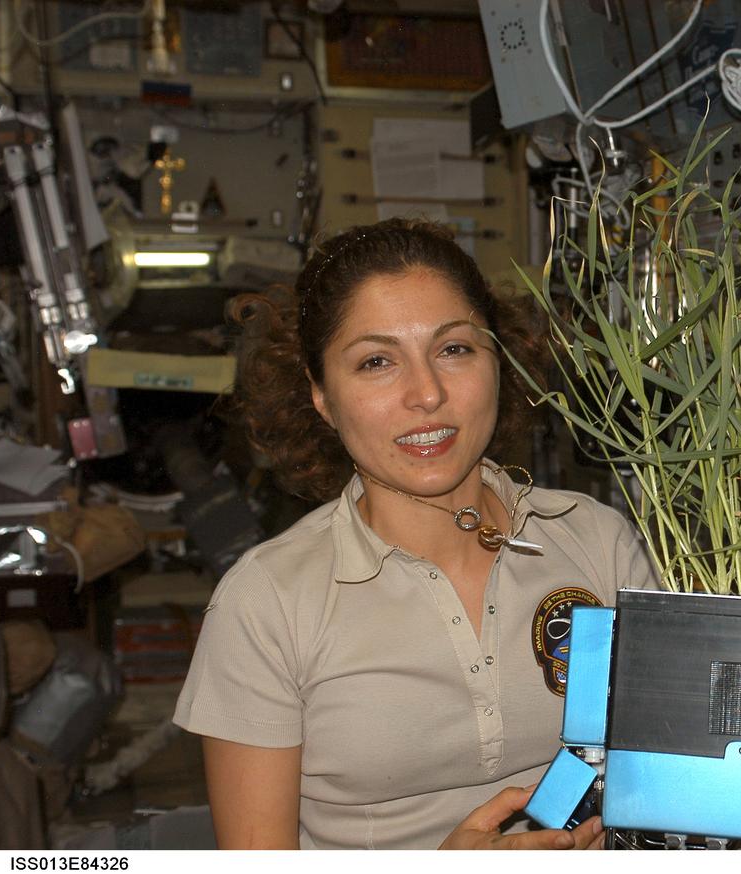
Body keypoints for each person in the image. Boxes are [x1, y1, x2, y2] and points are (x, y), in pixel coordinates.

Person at [173, 219, 657, 849]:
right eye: (376, 362)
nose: (426, 393)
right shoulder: (267, 603)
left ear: (500, 363)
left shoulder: (595, 543)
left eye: (454, 349)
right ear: (321, 397)